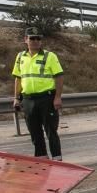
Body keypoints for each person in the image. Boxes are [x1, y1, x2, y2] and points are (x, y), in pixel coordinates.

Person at [11, 27, 65, 160]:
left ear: (41, 41)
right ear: (25, 40)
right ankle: (42, 158)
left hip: (46, 98)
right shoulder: (20, 57)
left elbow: (59, 77)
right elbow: (18, 78)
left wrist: (57, 97)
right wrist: (16, 98)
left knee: (51, 131)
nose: (35, 41)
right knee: (34, 132)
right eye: (32, 38)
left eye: (38, 38)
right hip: (28, 100)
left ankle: (57, 158)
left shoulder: (49, 56)